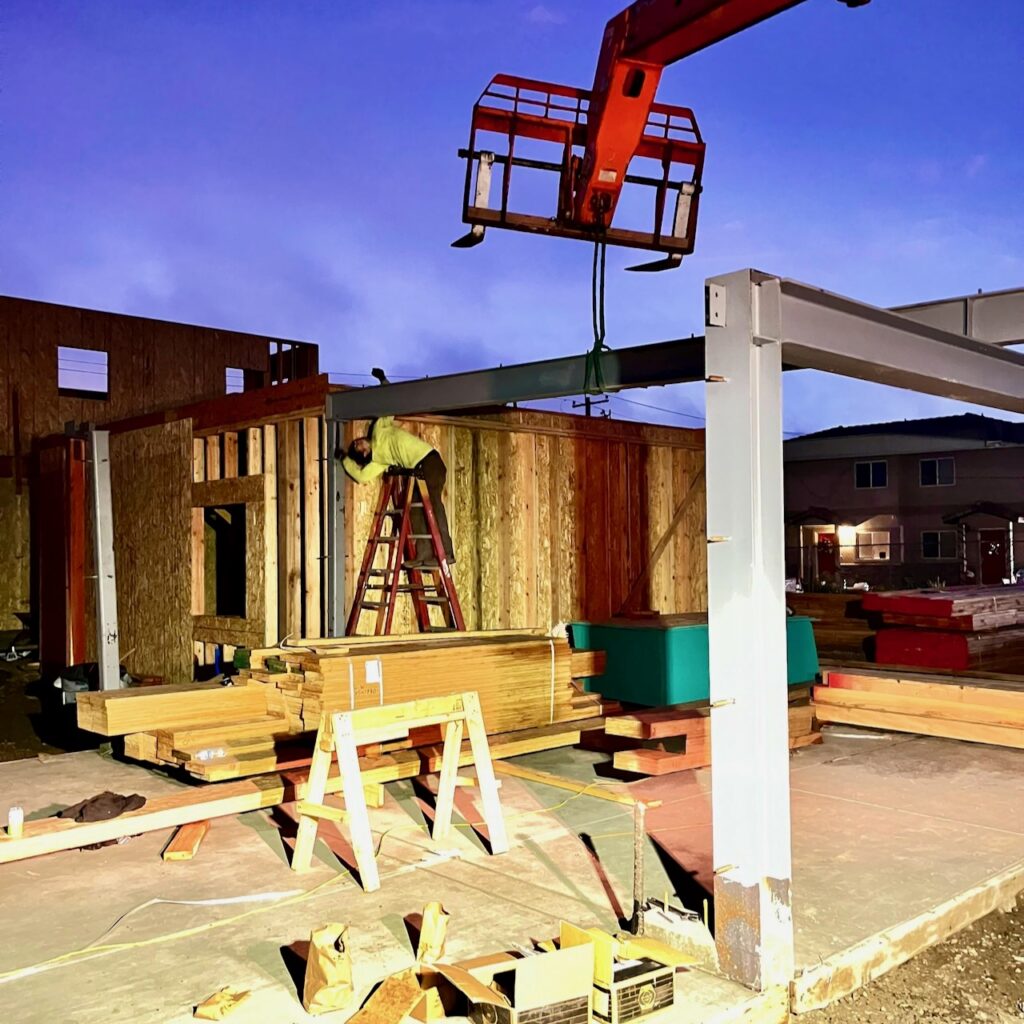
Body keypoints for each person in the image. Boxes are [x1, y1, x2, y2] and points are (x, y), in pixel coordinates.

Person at [340, 416, 455, 567]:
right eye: (357, 447)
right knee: (415, 509)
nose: (357, 442)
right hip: (418, 470)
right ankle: (424, 555)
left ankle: (446, 552)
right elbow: (361, 476)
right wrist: (345, 459)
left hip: (429, 461)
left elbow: (387, 413)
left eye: (356, 442)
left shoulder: (378, 431)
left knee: (433, 504)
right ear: (364, 454)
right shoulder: (379, 461)